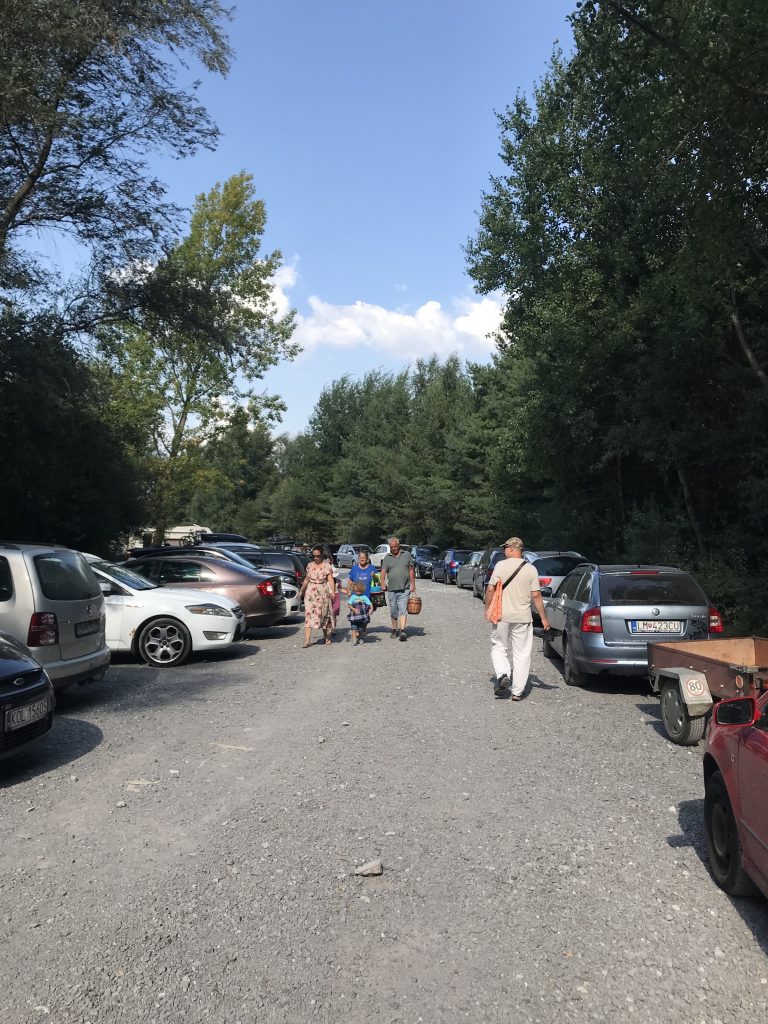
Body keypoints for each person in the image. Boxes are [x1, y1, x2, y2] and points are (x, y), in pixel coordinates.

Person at [485, 536, 550, 699]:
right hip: (523, 617)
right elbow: (536, 595)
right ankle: (517, 692)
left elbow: (491, 589)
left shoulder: (500, 566)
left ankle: (502, 674)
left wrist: (487, 609)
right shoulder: (531, 569)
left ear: (512, 549)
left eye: (505, 548)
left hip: (501, 615)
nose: (504, 551)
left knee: (498, 646)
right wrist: (544, 619)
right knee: (522, 654)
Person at [380, 536, 416, 641]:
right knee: (394, 611)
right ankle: (394, 629)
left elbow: (411, 570)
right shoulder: (387, 557)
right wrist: (382, 583)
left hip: (405, 588)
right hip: (392, 589)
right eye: (391, 547)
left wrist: (413, 584)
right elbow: (383, 571)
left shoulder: (407, 555)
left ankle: (403, 630)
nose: (393, 549)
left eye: (395, 546)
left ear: (399, 546)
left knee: (403, 608)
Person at [300, 545, 335, 647]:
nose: (316, 558)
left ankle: (326, 637)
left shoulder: (326, 566)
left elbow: (330, 579)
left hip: (322, 592)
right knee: (308, 614)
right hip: (310, 593)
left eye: (318, 556)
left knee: (323, 614)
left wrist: (332, 591)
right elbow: (306, 579)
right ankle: (307, 641)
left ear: (322, 555)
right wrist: (301, 590)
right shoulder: (310, 565)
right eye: (314, 556)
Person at [346, 580, 372, 644]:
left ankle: (360, 637)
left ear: (362, 591)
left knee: (361, 629)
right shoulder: (353, 597)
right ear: (354, 590)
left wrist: (370, 610)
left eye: (359, 591)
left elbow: (370, 604)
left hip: (362, 616)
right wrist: (353, 609)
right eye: (356, 591)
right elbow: (349, 604)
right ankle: (354, 640)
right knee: (353, 628)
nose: (358, 593)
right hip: (354, 615)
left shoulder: (364, 597)